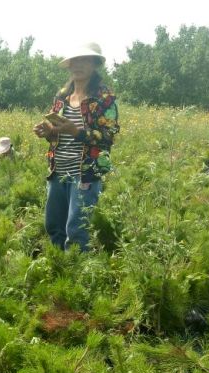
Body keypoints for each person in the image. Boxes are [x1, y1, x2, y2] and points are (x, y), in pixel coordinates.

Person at [33, 43, 119, 251]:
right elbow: (58, 130)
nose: (78, 65)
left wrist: (77, 132)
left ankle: (75, 276)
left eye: (85, 60)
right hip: (57, 171)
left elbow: (108, 137)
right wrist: (49, 132)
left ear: (95, 64)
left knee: (77, 230)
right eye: (75, 60)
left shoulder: (104, 99)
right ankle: (57, 267)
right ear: (69, 65)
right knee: (53, 226)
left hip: (85, 174)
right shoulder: (62, 97)